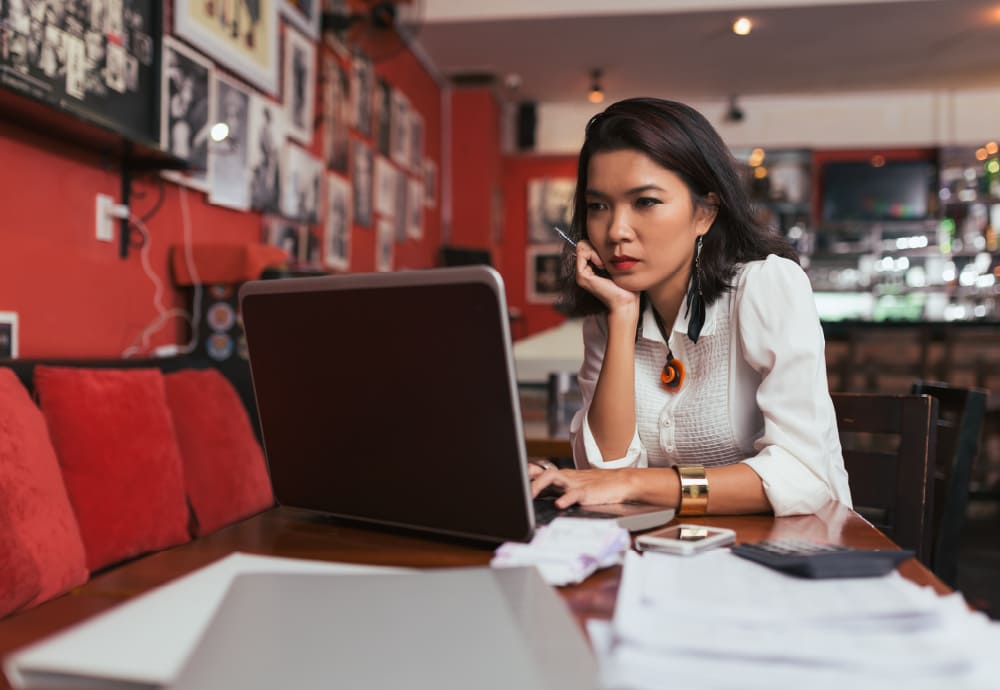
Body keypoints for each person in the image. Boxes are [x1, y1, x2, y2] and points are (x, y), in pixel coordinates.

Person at [529, 98, 852, 518]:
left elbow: (804, 478)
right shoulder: (609, 315)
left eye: (644, 202)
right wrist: (623, 317)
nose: (615, 231)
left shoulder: (765, 286)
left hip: (794, 555)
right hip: (678, 552)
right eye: (598, 206)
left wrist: (636, 483)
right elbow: (604, 473)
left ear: (704, 213)